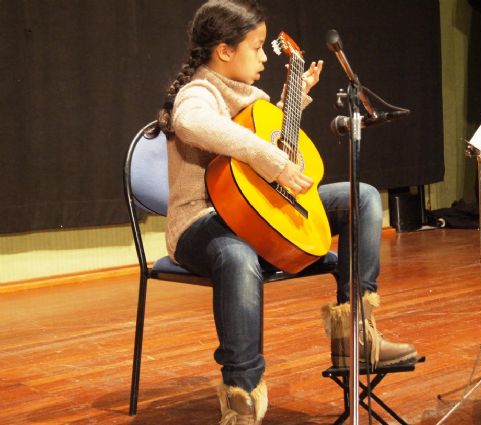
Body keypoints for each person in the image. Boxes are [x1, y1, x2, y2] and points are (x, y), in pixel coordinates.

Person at [148, 1, 416, 423]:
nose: (261, 59)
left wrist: (295, 102)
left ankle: (355, 334)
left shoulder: (251, 95)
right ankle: (241, 395)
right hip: (200, 223)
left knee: (361, 196)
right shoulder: (198, 92)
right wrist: (269, 160)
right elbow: (194, 124)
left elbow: (262, 133)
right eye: (256, 48)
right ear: (223, 51)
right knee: (236, 255)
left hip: (255, 215)